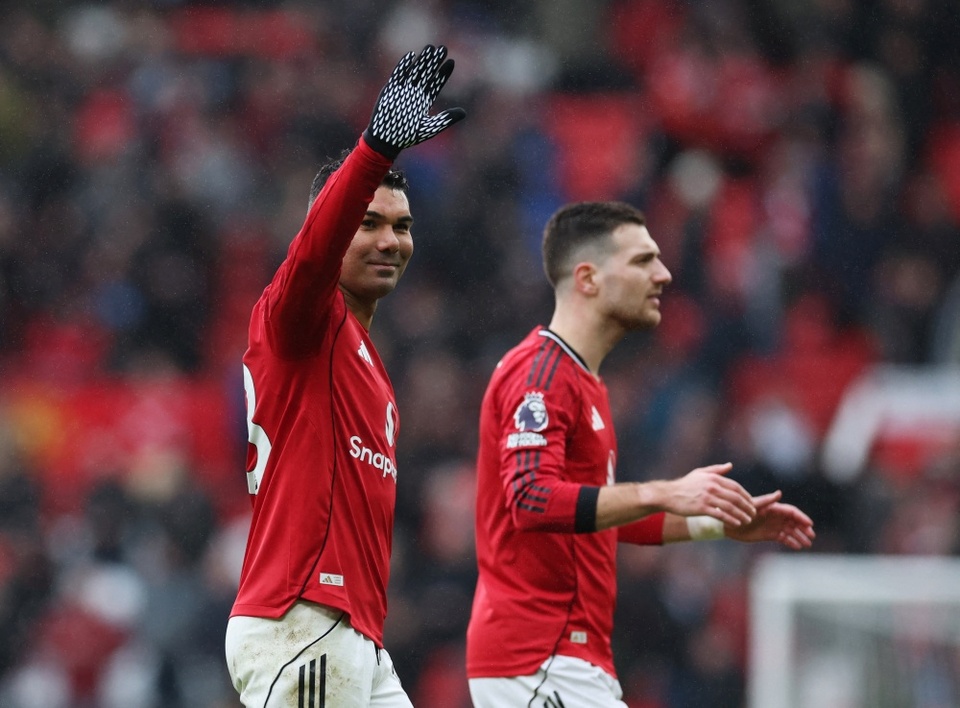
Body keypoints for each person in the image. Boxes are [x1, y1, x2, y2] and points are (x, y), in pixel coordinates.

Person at [465, 201, 815, 707]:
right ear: (588, 278)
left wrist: (715, 522)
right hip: (538, 656)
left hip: (565, 659)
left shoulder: (585, 383)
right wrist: (663, 491)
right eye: (642, 260)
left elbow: (597, 515)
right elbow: (531, 500)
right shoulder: (540, 375)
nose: (663, 274)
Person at [224, 45, 465, 707]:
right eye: (369, 223)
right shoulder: (297, 318)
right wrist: (376, 151)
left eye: (403, 226)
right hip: (303, 618)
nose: (391, 241)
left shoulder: (368, 366)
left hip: (352, 632)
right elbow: (312, 256)